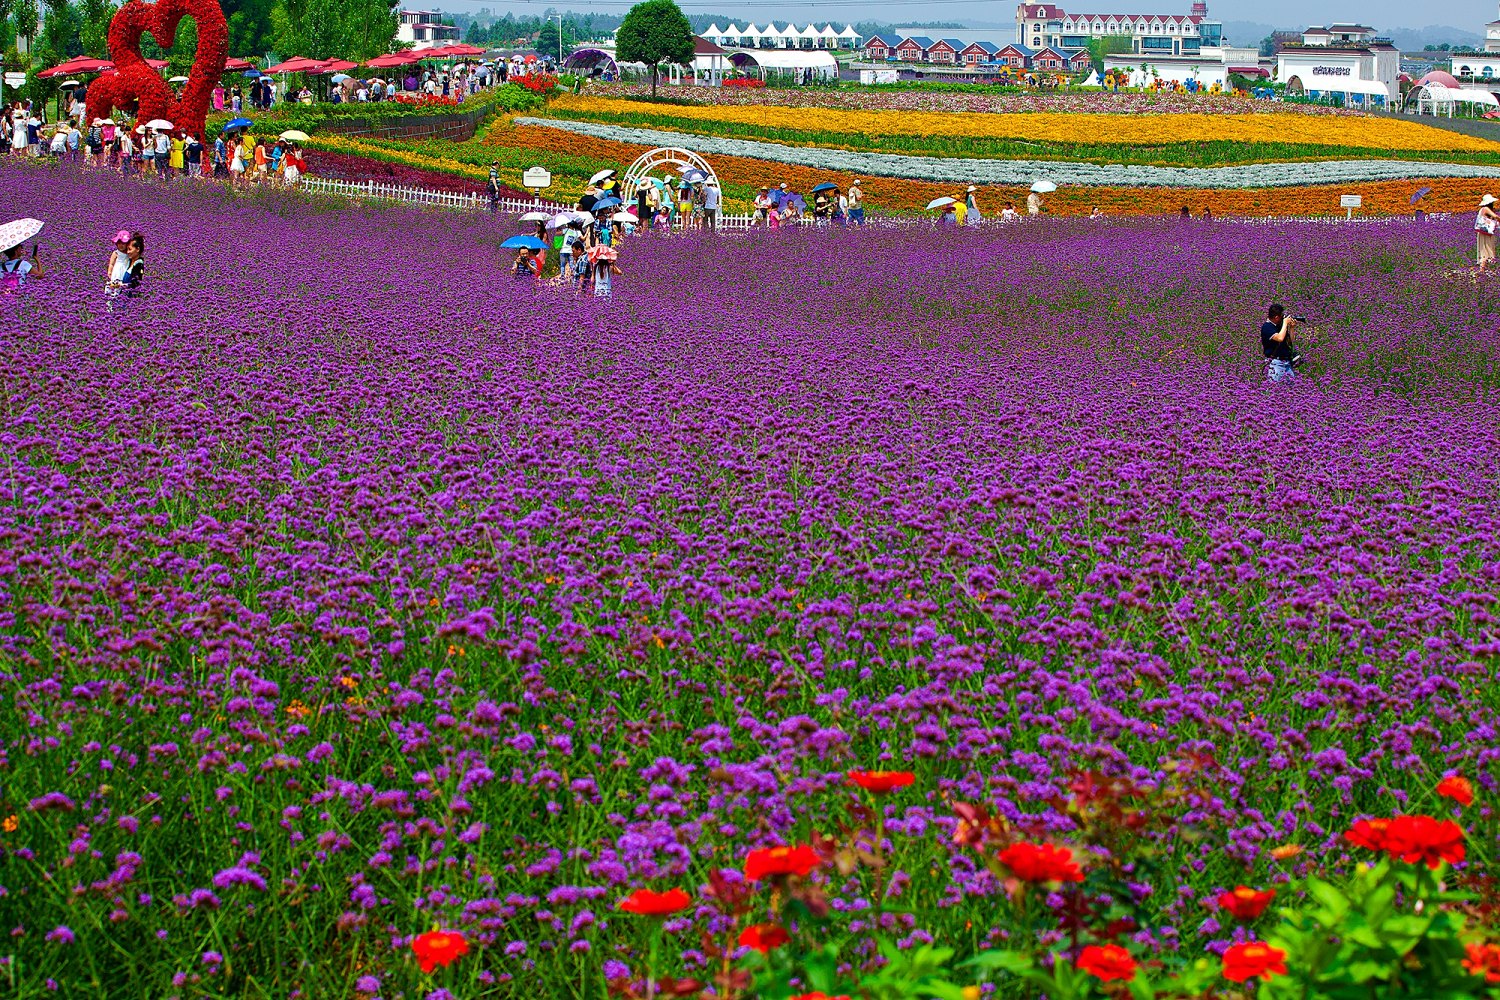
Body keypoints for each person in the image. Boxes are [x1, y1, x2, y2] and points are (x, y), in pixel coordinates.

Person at [0, 219, 45, 292]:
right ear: (16, 250)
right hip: (20, 297)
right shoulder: (23, 264)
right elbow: (40, 275)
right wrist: (37, 260)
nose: (22, 249)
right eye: (20, 247)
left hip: (6, 299)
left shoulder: (1, 267)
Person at [1260, 303, 1300, 383]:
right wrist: (1285, 323)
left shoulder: (1280, 326)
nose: (1283, 318)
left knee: (1292, 390)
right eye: (1282, 316)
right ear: (1276, 317)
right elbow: (1280, 338)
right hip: (1276, 363)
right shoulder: (1267, 327)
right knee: (1274, 389)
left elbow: (1291, 341)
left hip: (1287, 362)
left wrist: (1292, 328)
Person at [1476, 194, 1498, 271]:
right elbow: (1496, 217)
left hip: (1485, 233)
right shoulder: (1485, 208)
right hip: (1485, 233)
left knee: (1485, 250)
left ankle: (1484, 270)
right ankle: (1483, 270)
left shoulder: (1485, 210)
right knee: (1487, 250)